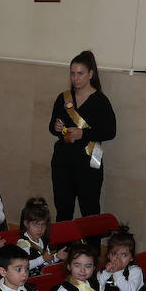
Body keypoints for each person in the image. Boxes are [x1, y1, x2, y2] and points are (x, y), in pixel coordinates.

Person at [48, 49, 116, 222]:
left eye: (80, 73)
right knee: (63, 211)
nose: (75, 78)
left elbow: (110, 131)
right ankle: (63, 248)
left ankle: (92, 249)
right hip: (63, 162)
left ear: (90, 74)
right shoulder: (63, 98)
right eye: (72, 73)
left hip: (88, 163)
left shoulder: (101, 101)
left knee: (90, 212)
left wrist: (83, 133)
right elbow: (52, 127)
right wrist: (56, 127)